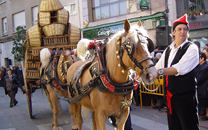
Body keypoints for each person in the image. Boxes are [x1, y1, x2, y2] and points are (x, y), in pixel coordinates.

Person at [155, 14, 199, 130]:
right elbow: (157, 67)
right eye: (179, 29)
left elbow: (178, 69)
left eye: (185, 29)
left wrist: (158, 72)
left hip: (186, 98)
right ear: (173, 32)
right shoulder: (169, 49)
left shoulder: (192, 48)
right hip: (170, 98)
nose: (182, 32)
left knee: (189, 127)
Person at [196, 52, 208, 120]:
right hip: (201, 87)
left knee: (206, 101)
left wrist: (196, 82)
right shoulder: (199, 66)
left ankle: (207, 114)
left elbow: (201, 78)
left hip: (204, 87)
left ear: (203, 58)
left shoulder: (205, 67)